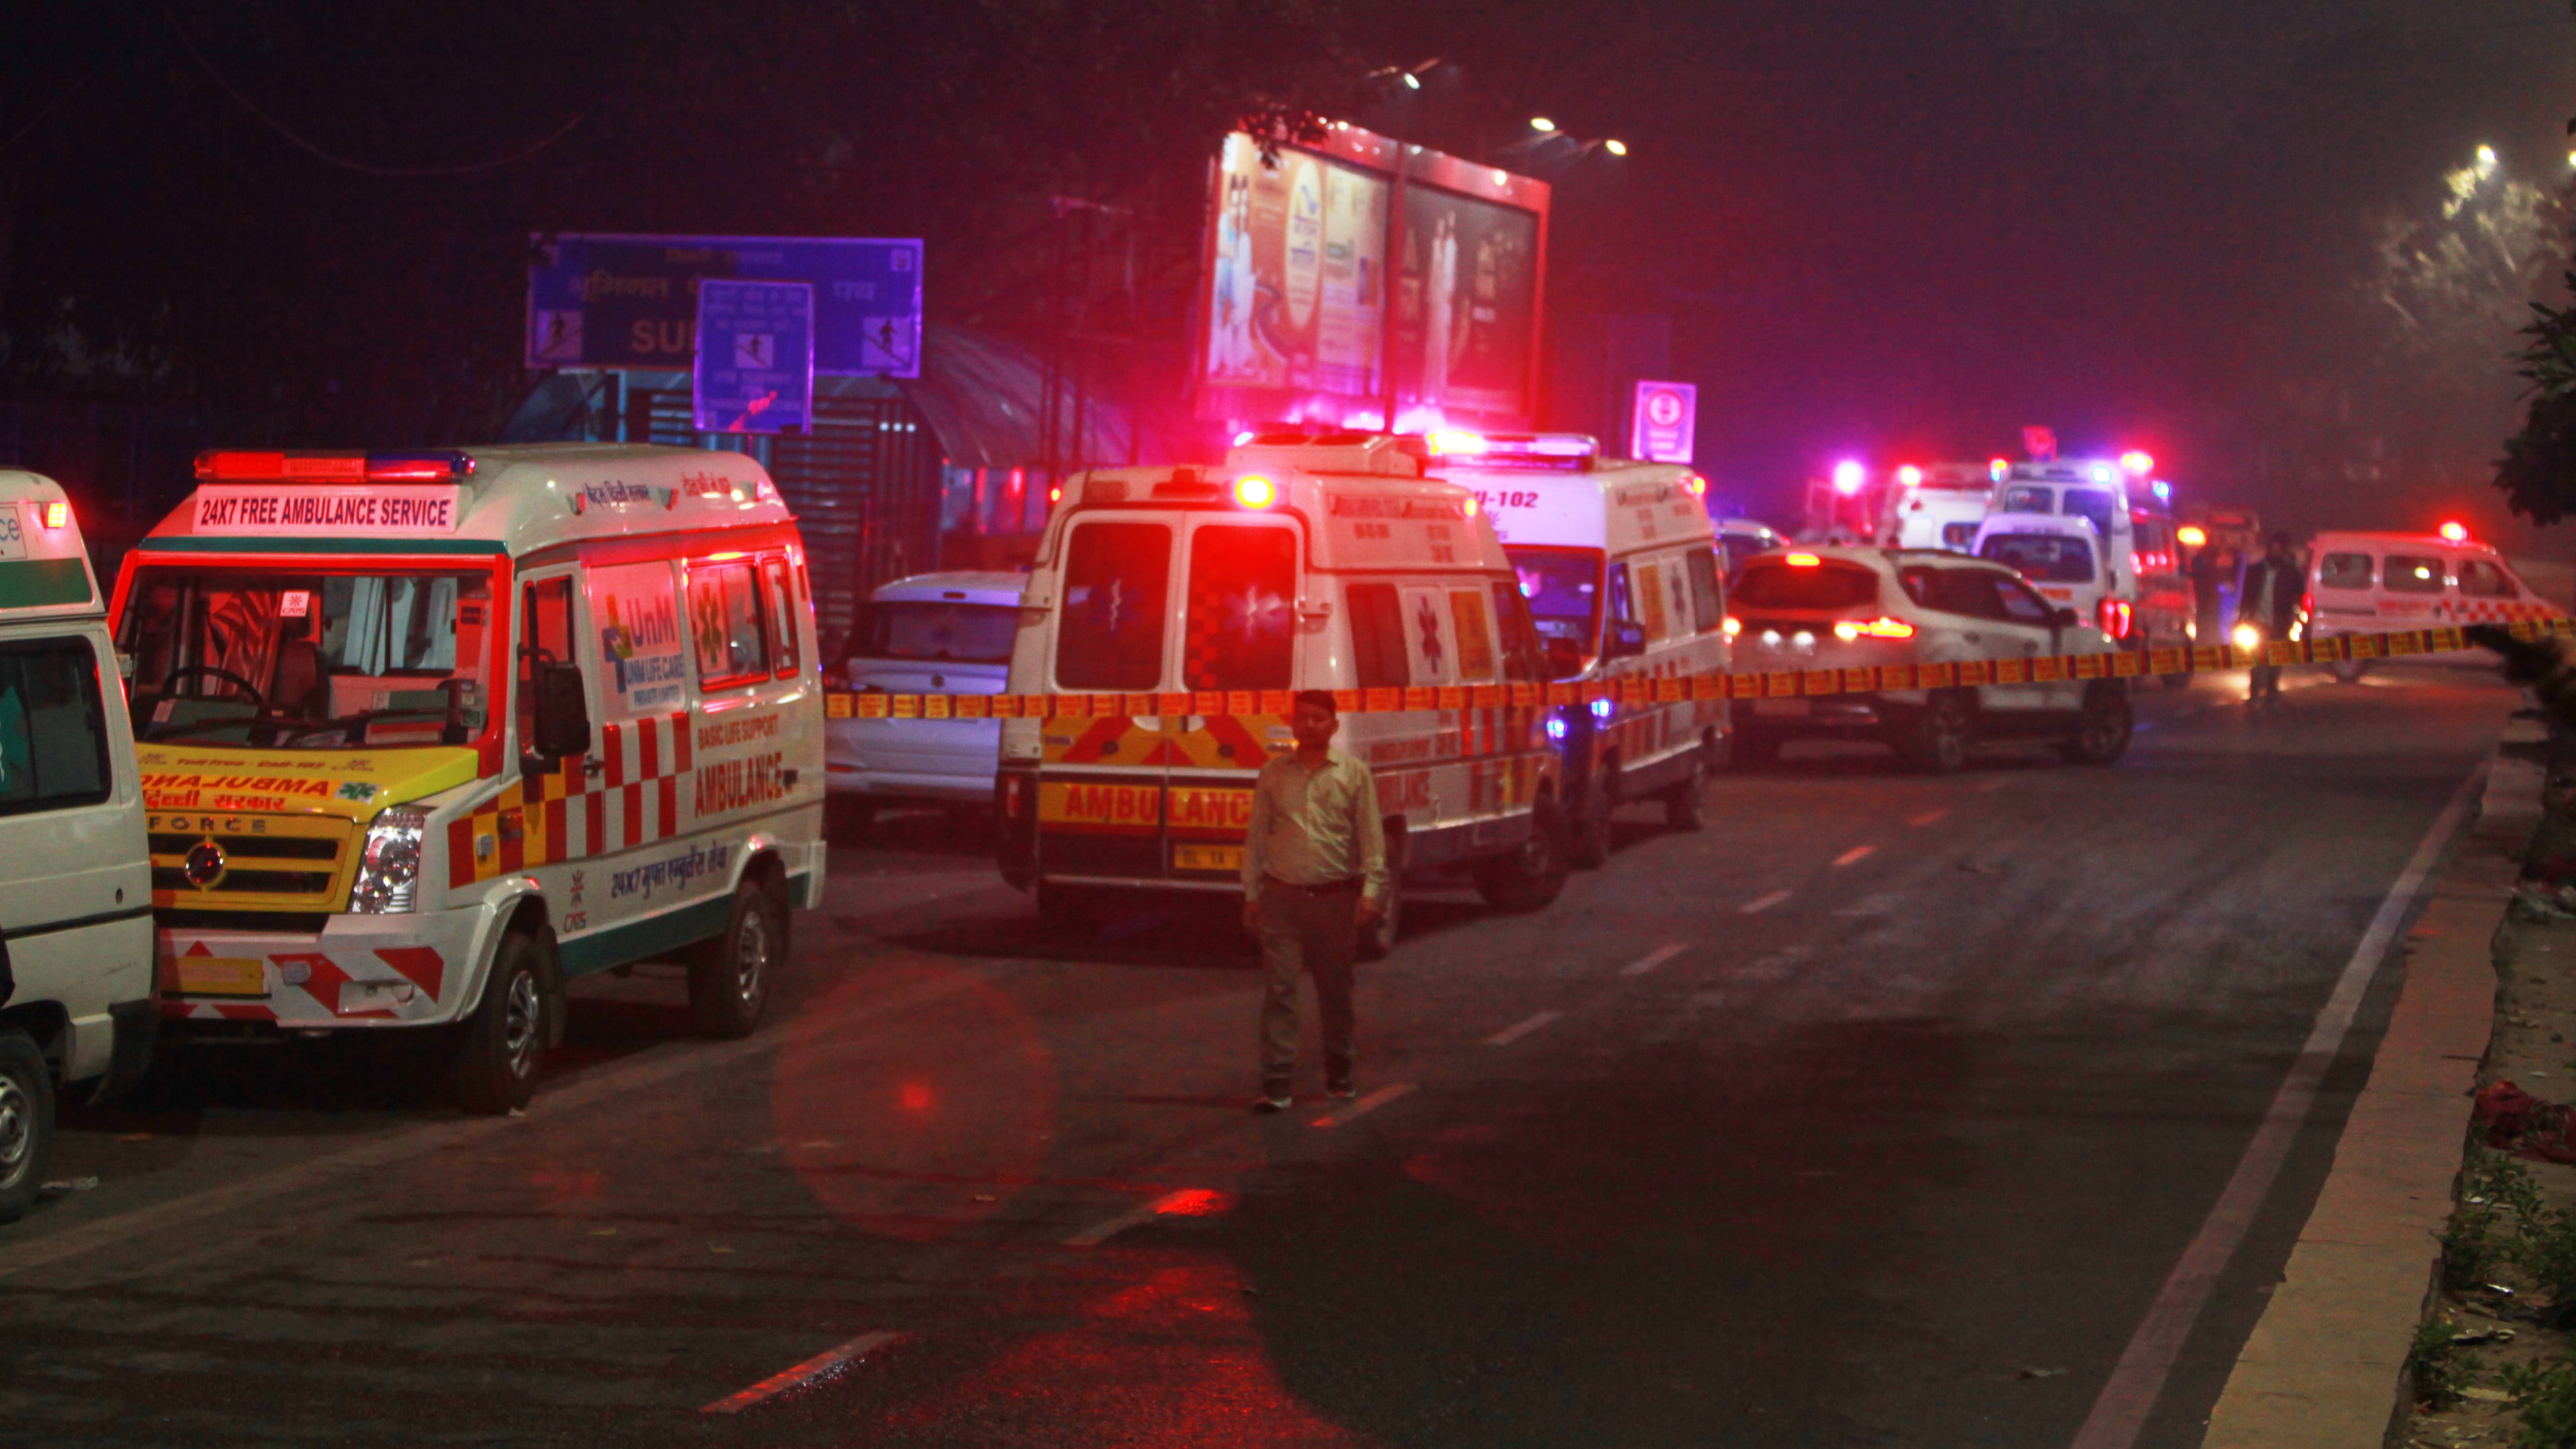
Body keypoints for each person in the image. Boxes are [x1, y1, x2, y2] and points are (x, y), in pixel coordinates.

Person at [1240, 690, 1389, 1113]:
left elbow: (1371, 839)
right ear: (1292, 724)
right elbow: (1256, 840)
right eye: (1302, 718)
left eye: (1319, 719)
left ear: (1334, 726)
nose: (1309, 725)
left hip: (1334, 901)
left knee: (1335, 990)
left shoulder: (1354, 774)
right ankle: (1277, 1081)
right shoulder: (1273, 775)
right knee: (1280, 990)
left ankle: (1340, 1071)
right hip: (1282, 898)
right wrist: (1251, 893)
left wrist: (1371, 892)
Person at [2239, 532, 2304, 706]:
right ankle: (2254, 693)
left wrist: (2295, 618)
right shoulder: (2255, 570)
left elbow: (2299, 595)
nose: (2275, 552)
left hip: (2280, 621)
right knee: (2256, 657)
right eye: (2272, 548)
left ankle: (2271, 691)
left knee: (2276, 659)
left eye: (2278, 549)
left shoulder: (2291, 572)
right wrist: (2242, 618)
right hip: (2258, 621)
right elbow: (2246, 596)